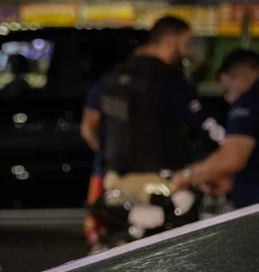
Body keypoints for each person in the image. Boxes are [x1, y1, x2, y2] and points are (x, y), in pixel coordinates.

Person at [96, 16, 225, 207]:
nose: (187, 52)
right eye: (185, 44)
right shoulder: (167, 79)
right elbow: (206, 124)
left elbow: (99, 129)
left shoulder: (115, 77)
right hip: (158, 183)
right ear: (170, 41)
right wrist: (230, 143)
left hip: (115, 180)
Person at [172, 49, 259, 207]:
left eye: (227, 90)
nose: (228, 99)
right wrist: (234, 181)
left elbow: (232, 159)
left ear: (240, 73)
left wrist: (187, 175)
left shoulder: (250, 102)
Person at [80, 82, 106, 248]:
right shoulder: (105, 86)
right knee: (97, 233)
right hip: (105, 170)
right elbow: (88, 129)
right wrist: (105, 154)